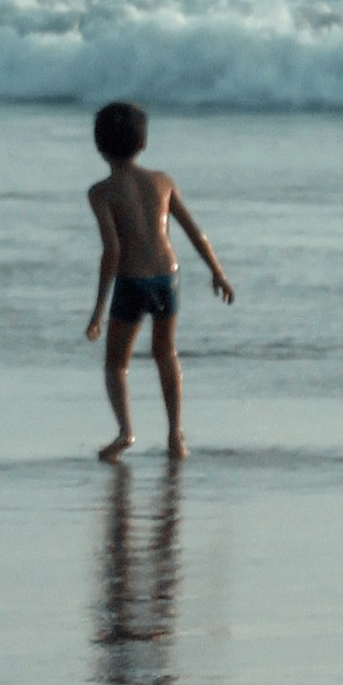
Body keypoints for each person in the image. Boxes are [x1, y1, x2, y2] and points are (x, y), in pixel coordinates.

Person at [84, 101, 233, 458]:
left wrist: (98, 312)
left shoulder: (101, 192)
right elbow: (196, 232)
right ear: (143, 143)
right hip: (167, 277)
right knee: (166, 353)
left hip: (131, 282)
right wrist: (217, 272)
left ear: (99, 146)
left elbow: (112, 252)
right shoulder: (162, 181)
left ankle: (125, 432)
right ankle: (176, 436)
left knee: (117, 363)